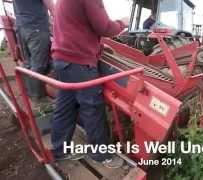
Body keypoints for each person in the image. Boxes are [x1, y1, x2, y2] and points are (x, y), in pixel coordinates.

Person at [50, 0, 129, 168]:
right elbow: (105, 27)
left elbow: (77, 26)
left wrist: (98, 47)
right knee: (92, 107)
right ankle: (100, 155)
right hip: (80, 62)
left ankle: (59, 150)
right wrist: (123, 22)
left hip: (63, 59)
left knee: (65, 107)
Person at [13, 0, 54, 103]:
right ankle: (39, 98)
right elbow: (50, 4)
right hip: (36, 27)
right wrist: (58, 16)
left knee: (28, 62)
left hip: (22, 27)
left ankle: (30, 93)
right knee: (39, 64)